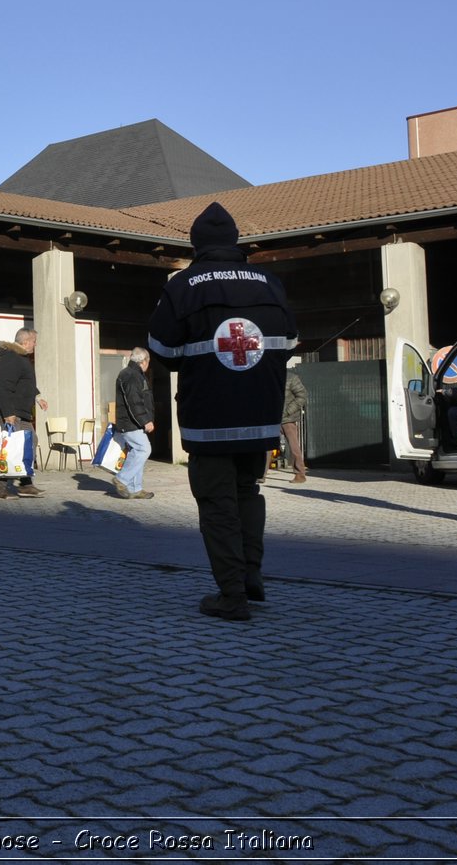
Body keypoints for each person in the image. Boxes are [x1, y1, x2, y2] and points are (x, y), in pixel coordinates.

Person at [148, 201, 298, 622]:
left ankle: (231, 594)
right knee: (248, 494)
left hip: (210, 419)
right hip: (259, 416)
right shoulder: (269, 282)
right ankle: (251, 575)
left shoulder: (184, 285)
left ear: (196, 244)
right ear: (234, 241)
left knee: (217, 504)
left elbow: (161, 348)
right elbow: (288, 343)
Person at [0, 327, 48, 498]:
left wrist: (37, 397)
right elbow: (3, 387)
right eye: (34, 341)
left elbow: (25, 383)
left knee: (29, 442)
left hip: (20, 411)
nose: (35, 345)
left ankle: (25, 484)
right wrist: (8, 413)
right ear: (25, 341)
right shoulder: (11, 358)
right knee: (10, 447)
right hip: (11, 411)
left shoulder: (20, 358)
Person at [111, 346, 155, 499]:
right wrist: (146, 421)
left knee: (137, 452)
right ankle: (122, 479)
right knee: (144, 449)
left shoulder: (133, 373)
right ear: (144, 361)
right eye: (148, 361)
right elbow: (134, 402)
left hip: (132, 422)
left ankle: (135, 488)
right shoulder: (131, 375)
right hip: (131, 423)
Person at [267, 365, 309, 483]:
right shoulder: (270, 376)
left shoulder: (292, 378)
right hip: (272, 418)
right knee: (267, 446)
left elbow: (302, 395)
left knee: (294, 446)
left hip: (288, 419)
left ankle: (300, 474)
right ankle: (261, 474)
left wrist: (288, 411)